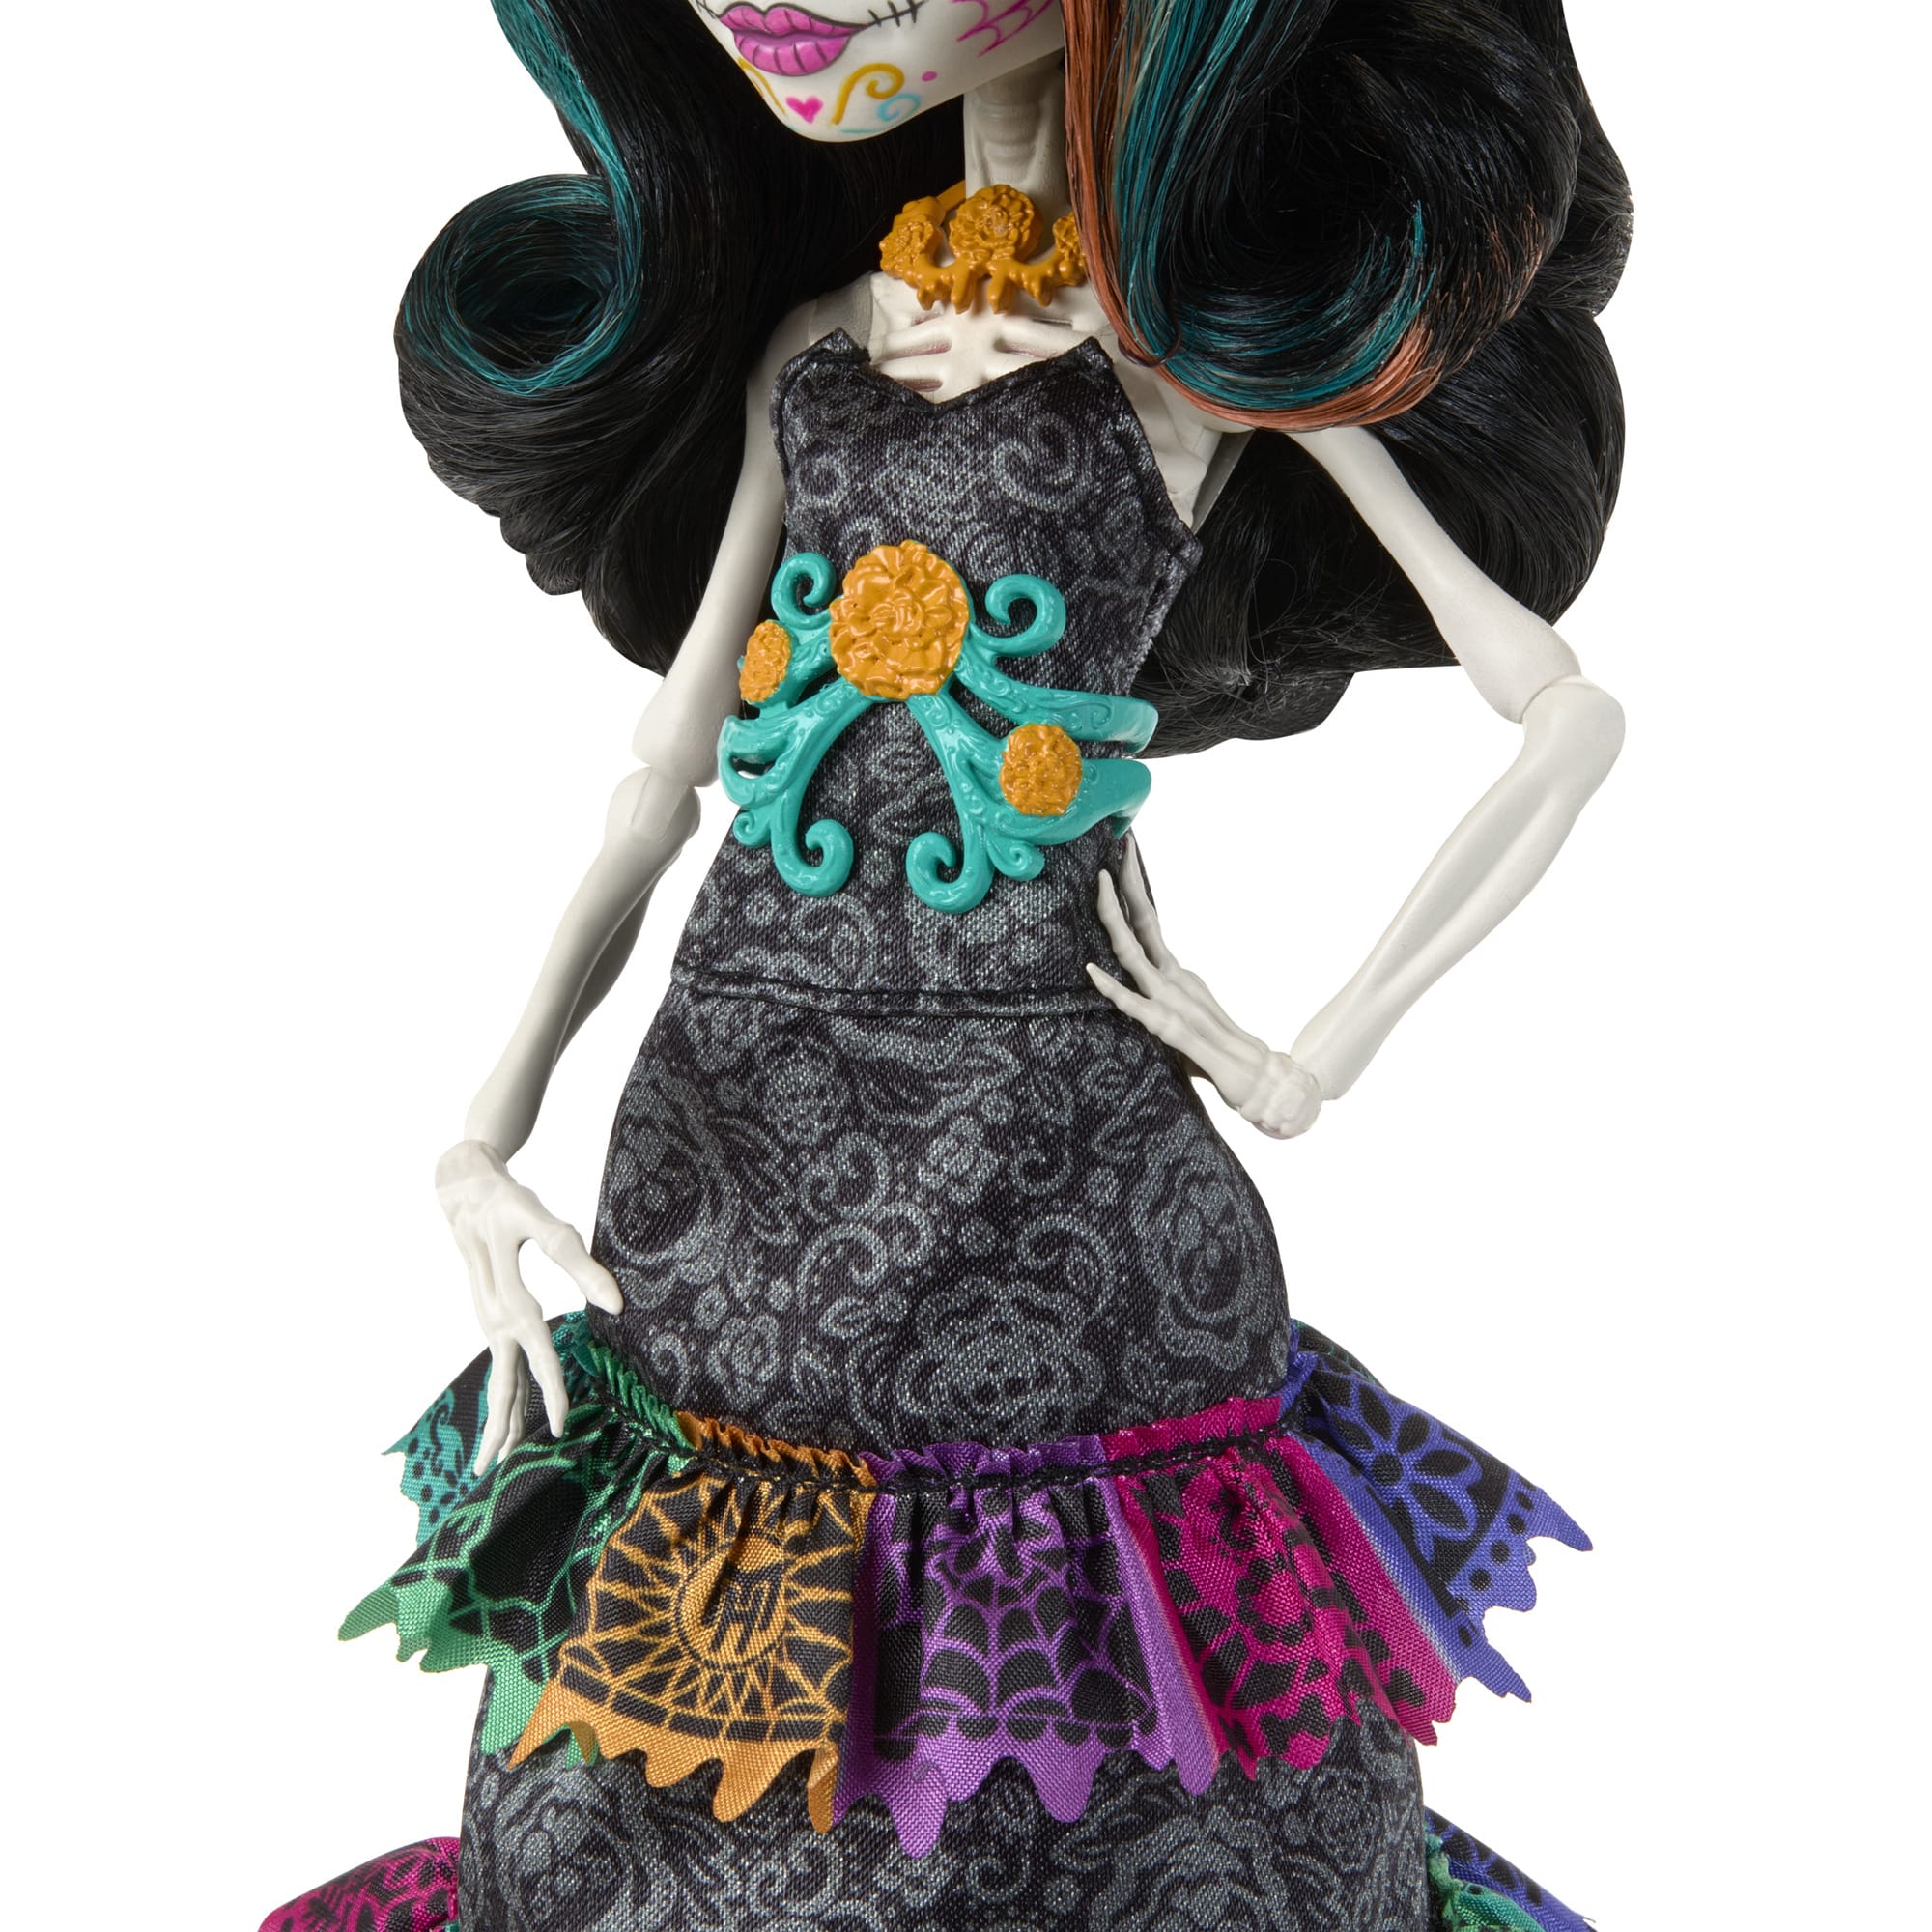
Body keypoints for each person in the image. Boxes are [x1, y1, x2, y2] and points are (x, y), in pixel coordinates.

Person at [265, 4, 1629, 1927]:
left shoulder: (1187, 363)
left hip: (1043, 1122)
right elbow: (661, 775)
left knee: (1073, 1622)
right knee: (682, 1602)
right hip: (727, 1108)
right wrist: (485, 1124)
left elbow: (1563, 715)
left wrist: (1313, 1049)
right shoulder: (819, 341)